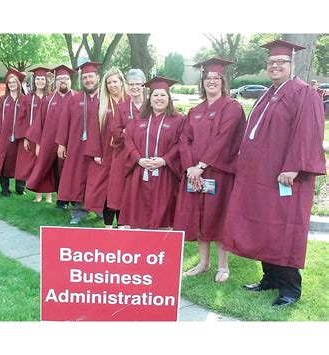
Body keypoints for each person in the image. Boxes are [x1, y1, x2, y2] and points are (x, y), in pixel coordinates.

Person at [222, 40, 326, 306]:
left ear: (292, 64)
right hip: (261, 176)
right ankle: (269, 278)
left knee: (285, 229)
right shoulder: (269, 93)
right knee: (265, 225)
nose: (275, 66)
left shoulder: (303, 93)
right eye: (271, 62)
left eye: (281, 62)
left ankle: (290, 288)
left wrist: (293, 166)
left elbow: (308, 133)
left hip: (286, 177)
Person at [173, 58, 246, 282]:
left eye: (216, 78)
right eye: (208, 79)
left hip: (219, 173)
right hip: (194, 174)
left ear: (223, 82)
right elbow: (184, 140)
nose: (211, 82)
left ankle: (223, 266)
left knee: (218, 216)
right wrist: (189, 168)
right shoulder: (195, 110)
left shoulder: (231, 107)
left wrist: (202, 166)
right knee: (199, 215)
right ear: (202, 83)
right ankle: (203, 263)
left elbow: (223, 140)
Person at [118, 76, 185, 229]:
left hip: (165, 175)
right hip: (140, 174)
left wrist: (165, 160)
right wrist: (138, 159)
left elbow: (181, 143)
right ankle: (141, 249)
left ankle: (162, 248)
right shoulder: (139, 119)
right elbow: (128, 140)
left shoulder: (178, 120)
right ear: (150, 98)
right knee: (139, 215)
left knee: (164, 214)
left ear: (169, 97)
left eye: (163, 95)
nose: (159, 98)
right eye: (155, 95)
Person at [56, 61, 101, 224]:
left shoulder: (105, 98)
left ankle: (99, 208)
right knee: (77, 177)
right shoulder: (74, 99)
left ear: (97, 77)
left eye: (91, 76)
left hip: (99, 148)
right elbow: (64, 121)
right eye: (85, 77)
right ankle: (78, 211)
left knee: (97, 178)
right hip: (77, 146)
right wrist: (61, 143)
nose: (88, 80)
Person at [26, 64, 76, 209]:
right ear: (55, 82)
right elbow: (38, 124)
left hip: (70, 143)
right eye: (59, 79)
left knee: (69, 171)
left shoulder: (76, 98)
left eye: (66, 79)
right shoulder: (48, 100)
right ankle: (61, 200)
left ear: (70, 81)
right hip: (50, 143)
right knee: (54, 171)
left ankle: (73, 200)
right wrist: (38, 145)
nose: (63, 82)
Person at [83, 67, 126, 228]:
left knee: (122, 188)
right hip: (106, 152)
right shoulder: (102, 103)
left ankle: (122, 224)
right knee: (107, 188)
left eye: (115, 81)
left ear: (122, 82)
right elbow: (94, 129)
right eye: (109, 83)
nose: (112, 85)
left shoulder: (128, 101)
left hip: (124, 152)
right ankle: (108, 224)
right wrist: (96, 153)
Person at [107, 68, 146, 225]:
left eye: (138, 84)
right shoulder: (121, 107)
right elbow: (115, 132)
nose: (135, 87)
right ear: (127, 86)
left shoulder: (151, 106)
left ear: (143, 85)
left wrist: (128, 130)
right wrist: (135, 132)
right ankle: (123, 225)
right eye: (131, 84)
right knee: (121, 192)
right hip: (124, 155)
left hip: (145, 155)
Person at [17, 67, 51, 203]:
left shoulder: (50, 97)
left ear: (46, 81)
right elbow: (23, 119)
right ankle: (38, 195)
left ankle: (48, 196)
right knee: (35, 166)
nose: (40, 81)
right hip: (32, 136)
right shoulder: (28, 98)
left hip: (48, 137)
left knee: (47, 165)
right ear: (34, 80)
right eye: (38, 79)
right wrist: (26, 137)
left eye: (43, 79)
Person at [0, 68, 27, 197]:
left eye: (14, 82)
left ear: (18, 84)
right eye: (9, 82)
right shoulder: (3, 100)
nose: (12, 84)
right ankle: (5, 189)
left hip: (19, 136)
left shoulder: (25, 99)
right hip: (5, 136)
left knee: (20, 161)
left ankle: (20, 187)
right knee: (3, 160)